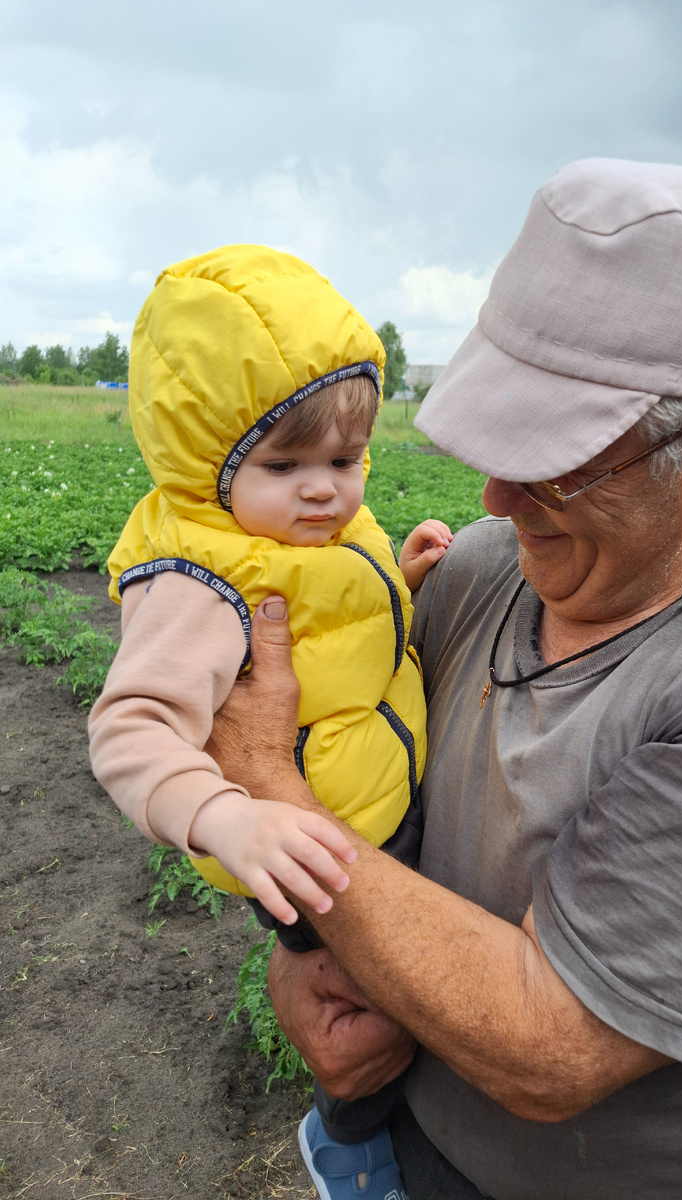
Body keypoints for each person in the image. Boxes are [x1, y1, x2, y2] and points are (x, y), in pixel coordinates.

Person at [205, 161, 682, 1200]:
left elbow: (549, 1043)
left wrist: (272, 788)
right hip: (410, 1134)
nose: (494, 492)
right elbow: (380, 835)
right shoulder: (481, 568)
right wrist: (299, 969)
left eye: (557, 456)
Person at [88, 245, 452, 1200]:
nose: (325, 488)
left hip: (369, 802)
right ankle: (352, 1147)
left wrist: (398, 585)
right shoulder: (201, 582)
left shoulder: (308, 531)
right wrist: (228, 817)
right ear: (203, 466)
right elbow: (129, 729)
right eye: (285, 463)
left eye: (345, 458)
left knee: (423, 974)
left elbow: (332, 640)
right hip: (301, 845)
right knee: (368, 1014)